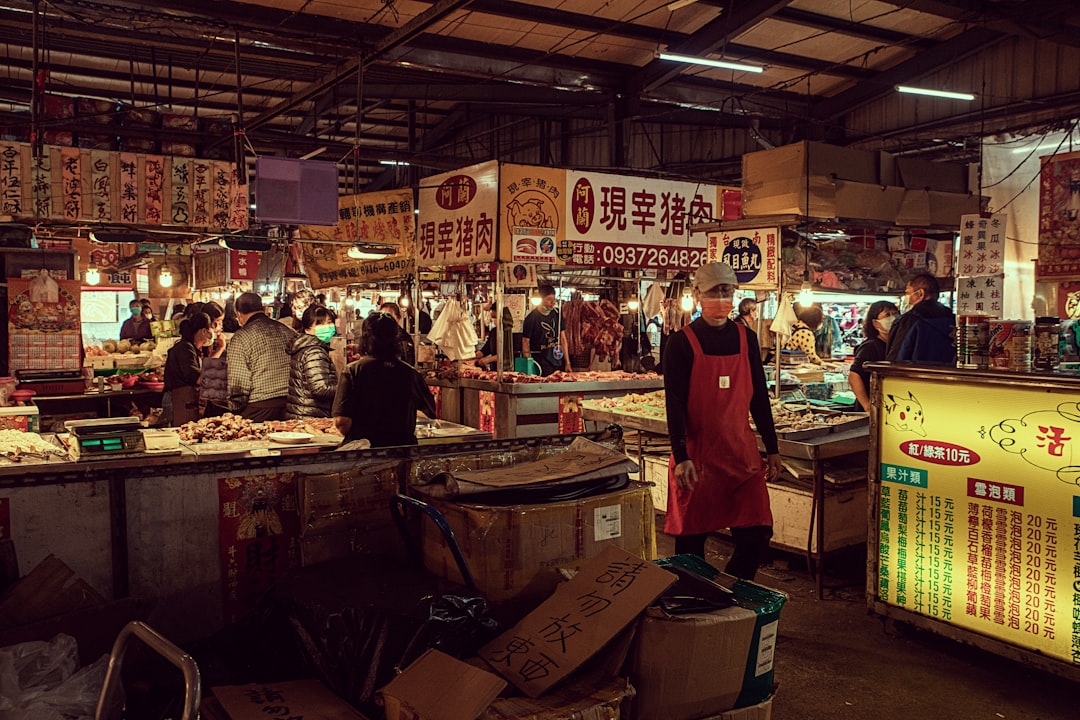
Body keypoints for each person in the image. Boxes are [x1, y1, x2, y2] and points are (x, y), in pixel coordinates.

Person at [663, 261, 782, 581]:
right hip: (697, 457)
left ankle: (732, 592)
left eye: (727, 290)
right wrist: (681, 456)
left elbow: (759, 396)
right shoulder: (681, 342)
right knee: (690, 548)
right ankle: (694, 603)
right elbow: (673, 402)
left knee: (757, 535)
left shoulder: (746, 338)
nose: (721, 297)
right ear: (698, 294)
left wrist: (772, 448)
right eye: (714, 291)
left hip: (740, 455)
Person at [332, 312, 436, 448]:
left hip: (364, 453)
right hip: (402, 451)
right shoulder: (410, 373)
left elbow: (342, 422)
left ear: (365, 338)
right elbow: (429, 414)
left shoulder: (353, 371)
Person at [227, 291, 297, 421]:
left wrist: (235, 408)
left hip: (261, 407)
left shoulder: (241, 337)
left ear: (238, 313)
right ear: (263, 309)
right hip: (293, 405)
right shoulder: (287, 331)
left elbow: (238, 382)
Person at [886, 273, 957, 365]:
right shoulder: (954, 320)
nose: (907, 297)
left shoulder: (910, 321)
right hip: (948, 377)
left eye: (908, 293)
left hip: (915, 377)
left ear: (920, 293)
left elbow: (896, 359)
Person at [285, 305, 339, 419]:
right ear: (307, 328)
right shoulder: (315, 351)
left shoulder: (303, 346)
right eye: (320, 324)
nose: (327, 327)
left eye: (329, 322)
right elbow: (320, 389)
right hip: (310, 415)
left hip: (301, 413)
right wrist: (345, 387)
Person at [162, 311, 213, 426]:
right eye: (214, 326)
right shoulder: (185, 348)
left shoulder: (193, 348)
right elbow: (196, 378)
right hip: (177, 402)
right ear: (203, 331)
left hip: (184, 401)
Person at [848, 300, 900, 412]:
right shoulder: (870, 346)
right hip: (871, 410)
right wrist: (867, 406)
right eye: (887, 315)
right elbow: (854, 376)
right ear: (876, 323)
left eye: (895, 314)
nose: (893, 318)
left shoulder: (896, 346)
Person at [521, 284, 569, 376]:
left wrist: (567, 363)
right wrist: (529, 365)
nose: (553, 302)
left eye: (554, 299)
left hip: (558, 360)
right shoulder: (531, 318)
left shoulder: (557, 314)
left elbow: (563, 339)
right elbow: (525, 342)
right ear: (541, 300)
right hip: (540, 363)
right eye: (549, 299)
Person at [199, 302, 230, 417]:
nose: (220, 326)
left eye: (221, 322)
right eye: (217, 322)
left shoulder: (213, 341)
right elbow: (206, 367)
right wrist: (221, 348)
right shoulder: (201, 340)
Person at [379, 301, 417, 365]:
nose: (384, 319)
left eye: (389, 315)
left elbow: (409, 363)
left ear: (398, 318)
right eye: (382, 315)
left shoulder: (403, 338)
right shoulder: (375, 336)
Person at [474, 305, 499, 370]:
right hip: (494, 368)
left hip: (506, 369)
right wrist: (480, 353)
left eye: (495, 317)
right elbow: (487, 348)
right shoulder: (494, 331)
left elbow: (505, 355)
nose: (493, 320)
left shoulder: (508, 332)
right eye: (493, 318)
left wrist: (488, 360)